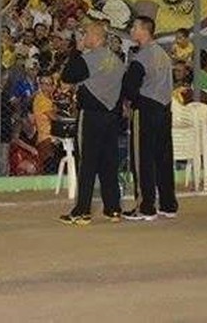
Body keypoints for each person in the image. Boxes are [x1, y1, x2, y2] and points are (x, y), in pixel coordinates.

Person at [59, 20, 125, 226]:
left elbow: (67, 75)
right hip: (111, 115)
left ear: (95, 38)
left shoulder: (89, 59)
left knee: (86, 162)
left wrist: (76, 51)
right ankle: (113, 208)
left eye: (85, 34)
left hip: (91, 115)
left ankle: (82, 211)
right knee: (108, 162)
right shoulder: (117, 60)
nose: (83, 38)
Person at [121, 16, 177, 221]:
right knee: (163, 157)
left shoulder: (142, 57)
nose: (132, 30)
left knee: (143, 158)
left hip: (146, 109)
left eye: (134, 27)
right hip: (164, 109)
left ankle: (145, 206)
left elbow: (129, 87)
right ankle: (168, 204)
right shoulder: (163, 54)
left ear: (144, 31)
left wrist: (129, 102)